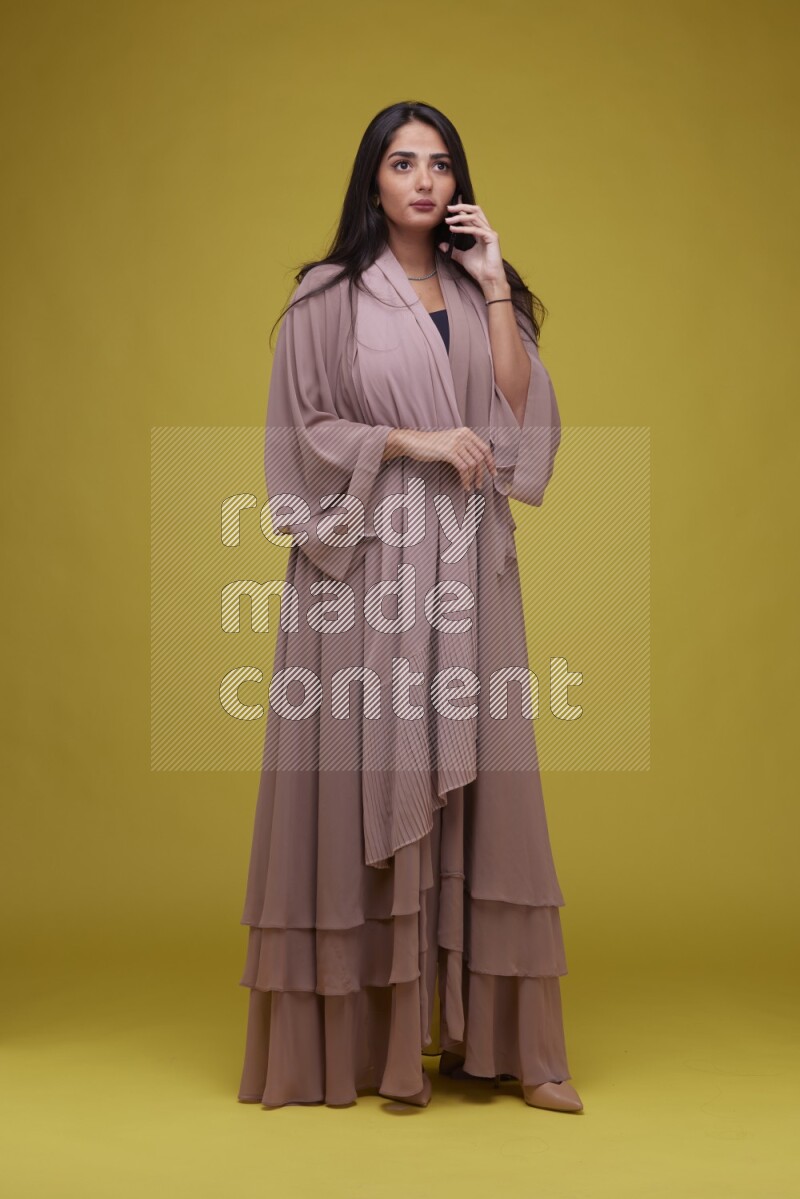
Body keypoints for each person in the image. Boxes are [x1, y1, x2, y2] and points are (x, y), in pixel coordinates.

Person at [236, 100, 583, 1114]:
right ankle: (362, 1045)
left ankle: (506, 1046)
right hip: (363, 568)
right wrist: (413, 442)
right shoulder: (327, 298)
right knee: (361, 774)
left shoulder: (487, 293)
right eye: (401, 163)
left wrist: (486, 290)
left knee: (489, 779)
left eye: (438, 164)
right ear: (372, 181)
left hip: (471, 565)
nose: (422, 181)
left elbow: (517, 419)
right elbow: (304, 426)